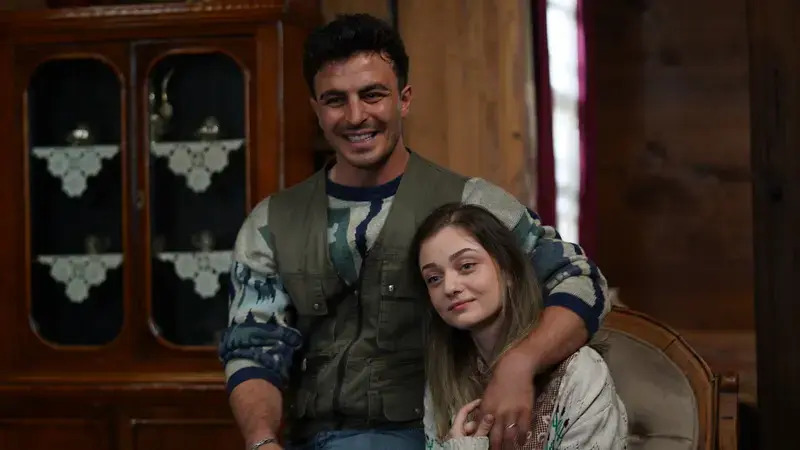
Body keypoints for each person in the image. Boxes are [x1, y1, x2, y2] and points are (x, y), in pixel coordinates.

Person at [218, 13, 611, 450]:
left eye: (373, 95)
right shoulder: (270, 223)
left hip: (437, 436)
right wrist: (262, 441)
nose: (356, 116)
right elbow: (252, 350)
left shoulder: (472, 204)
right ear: (316, 110)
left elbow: (581, 280)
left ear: (404, 99)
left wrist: (519, 363)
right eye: (335, 100)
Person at [411, 203, 627, 450]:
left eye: (467, 266)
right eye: (434, 278)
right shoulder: (444, 378)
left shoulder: (580, 373)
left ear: (508, 272)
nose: (449, 287)